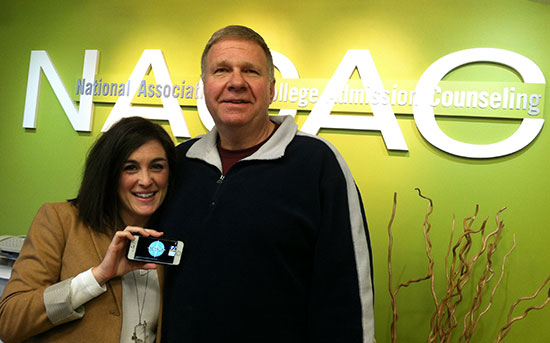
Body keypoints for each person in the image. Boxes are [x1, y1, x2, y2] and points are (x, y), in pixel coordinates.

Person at [159, 25, 374, 342]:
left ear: (271, 89)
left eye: (251, 71)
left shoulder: (317, 164)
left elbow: (346, 289)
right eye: (221, 71)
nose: (236, 83)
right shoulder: (177, 163)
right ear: (204, 87)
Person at [0, 117, 176, 343]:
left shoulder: (168, 238)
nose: (146, 180)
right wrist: (96, 276)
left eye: (157, 166)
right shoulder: (60, 220)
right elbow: (9, 322)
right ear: (108, 173)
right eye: (130, 167)